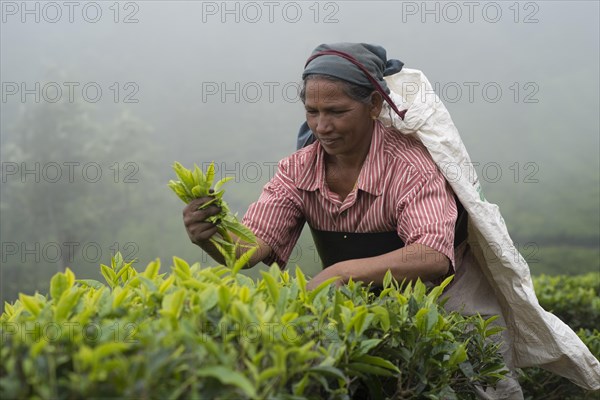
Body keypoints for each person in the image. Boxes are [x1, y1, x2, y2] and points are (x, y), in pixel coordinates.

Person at [182, 42, 523, 398]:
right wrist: (209, 235)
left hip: (447, 307)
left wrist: (340, 272)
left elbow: (431, 256)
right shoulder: (298, 169)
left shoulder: (410, 167)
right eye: (312, 112)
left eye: (336, 111)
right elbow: (249, 249)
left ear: (374, 106)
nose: (321, 126)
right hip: (363, 313)